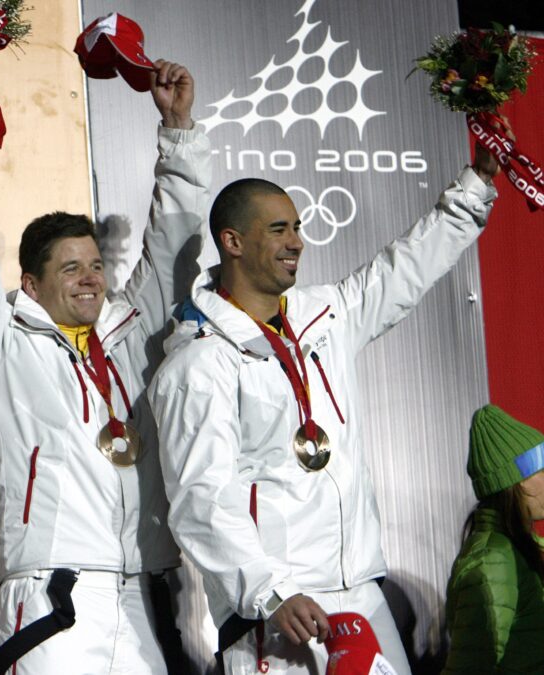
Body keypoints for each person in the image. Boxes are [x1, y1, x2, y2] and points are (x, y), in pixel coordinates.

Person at [147, 139, 500, 673]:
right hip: (282, 605)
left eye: (297, 227)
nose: (297, 241)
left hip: (360, 589)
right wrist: (270, 592)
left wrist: (473, 189)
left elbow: (402, 269)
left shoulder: (324, 317)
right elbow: (203, 498)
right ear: (232, 241)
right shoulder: (198, 365)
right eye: (279, 229)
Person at [0, 59, 211, 673]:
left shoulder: (132, 330)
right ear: (30, 283)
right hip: (53, 592)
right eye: (71, 269)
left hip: (145, 590)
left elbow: (173, 249)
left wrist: (179, 131)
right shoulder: (1, 344)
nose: (91, 279)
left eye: (96, 266)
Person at [443, 404, 544, 674]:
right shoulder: (492, 560)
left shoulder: (526, 549)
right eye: (542, 469)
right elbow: (469, 667)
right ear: (519, 480)